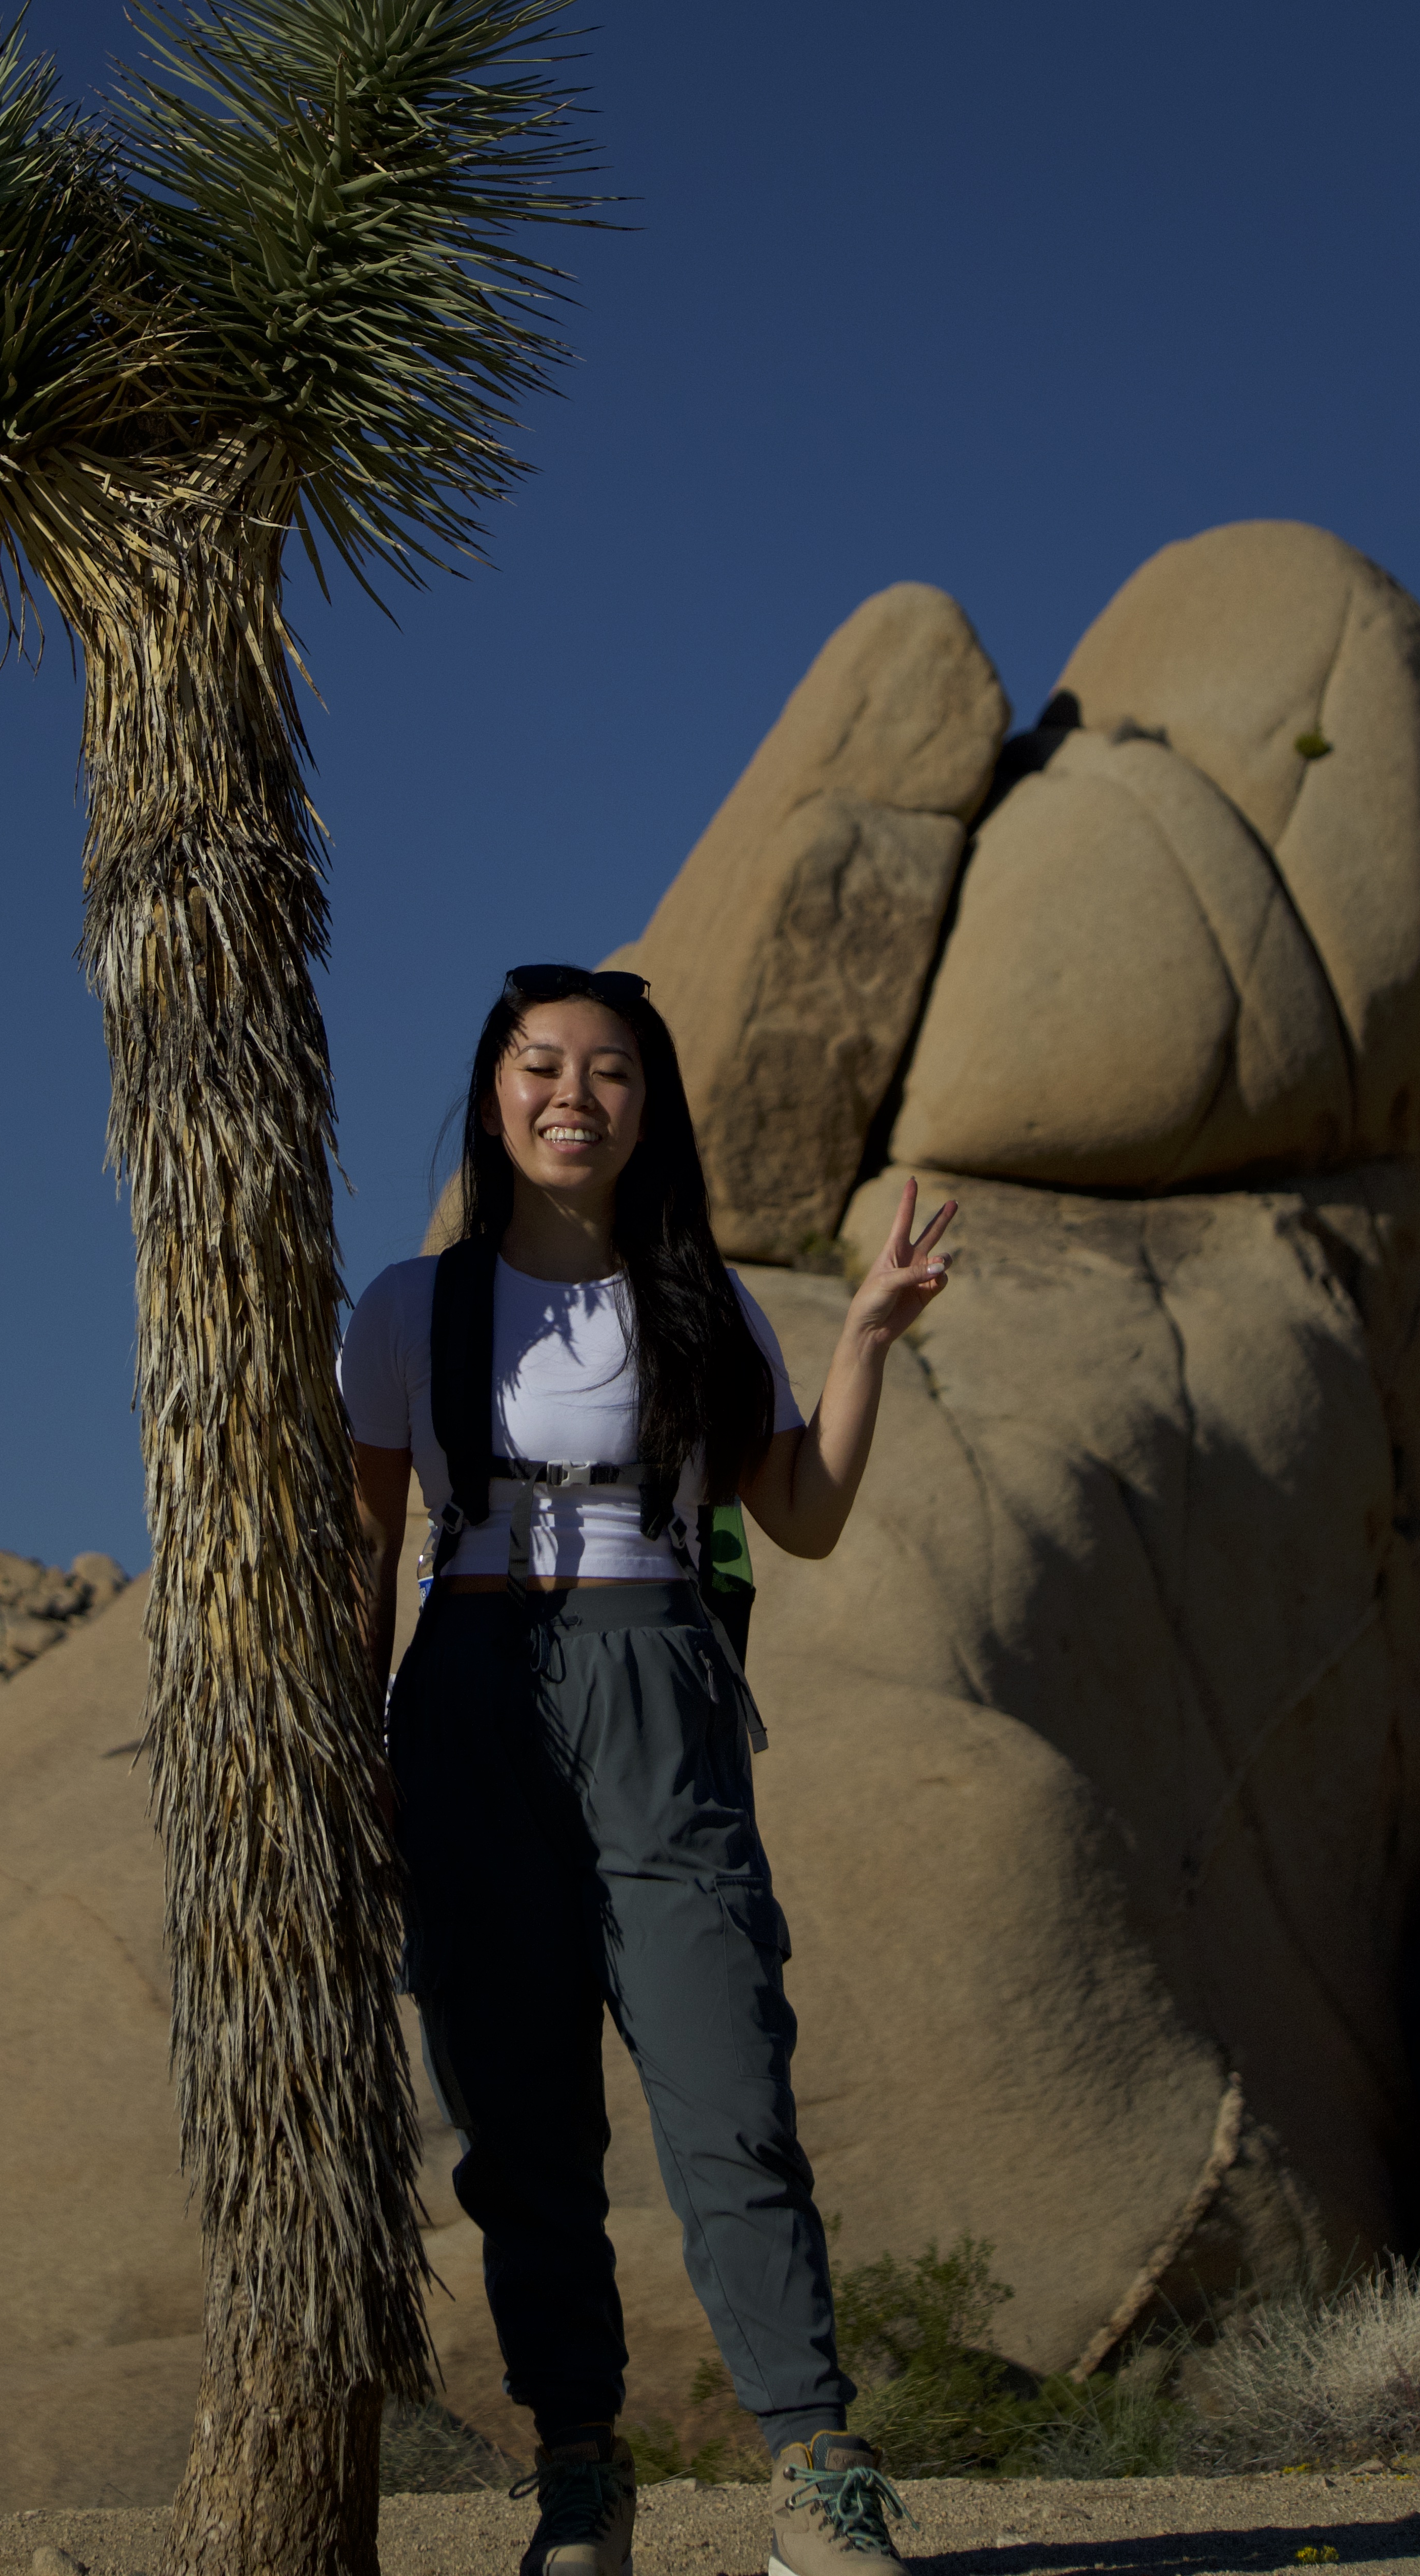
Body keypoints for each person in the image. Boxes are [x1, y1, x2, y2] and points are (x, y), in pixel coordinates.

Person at [341, 963, 956, 2576]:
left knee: (728, 2082)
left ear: (649, 1108)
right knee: (522, 2120)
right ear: (492, 1095)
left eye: (611, 1071)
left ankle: (817, 2475)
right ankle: (580, 2487)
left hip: (661, 1682)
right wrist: (357, 1755)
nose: (574, 1095)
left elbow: (802, 1516)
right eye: (541, 1065)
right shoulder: (411, 1309)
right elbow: (366, 1551)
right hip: (470, 1688)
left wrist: (871, 1338)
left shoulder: (703, 1299)